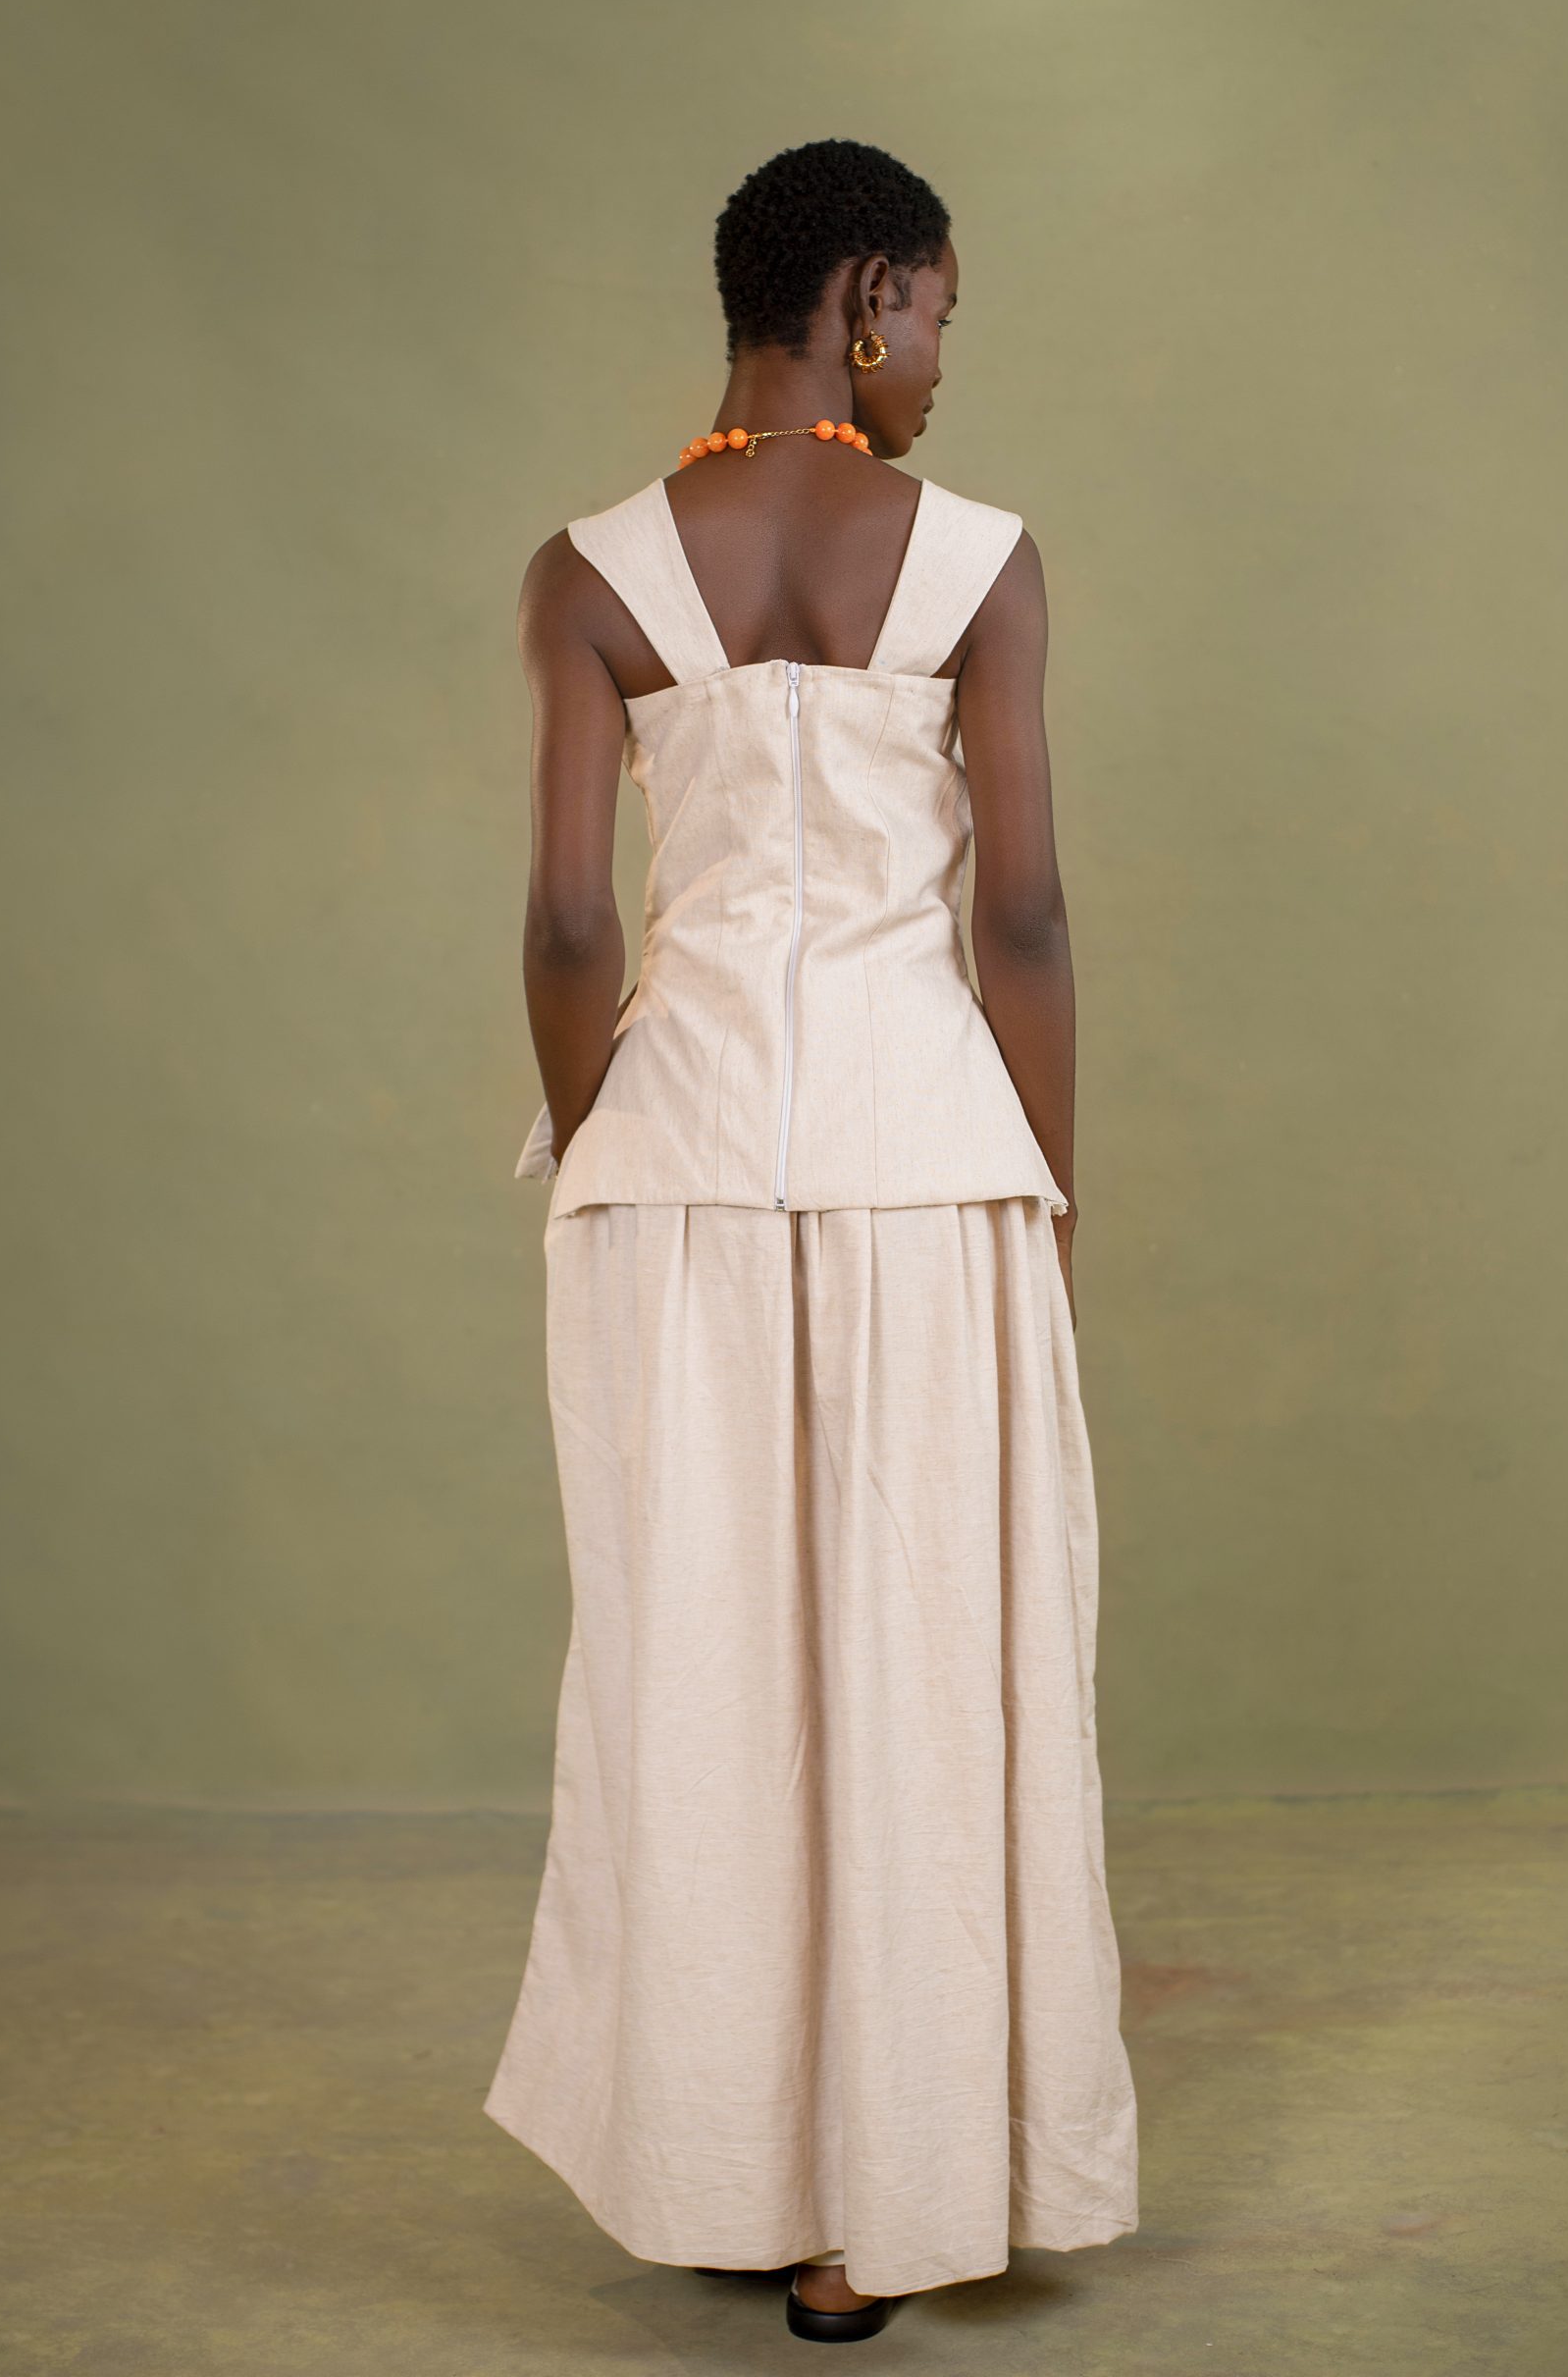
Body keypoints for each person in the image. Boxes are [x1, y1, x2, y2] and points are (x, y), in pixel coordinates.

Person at [485, 137, 1138, 2347]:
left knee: (699, 1674)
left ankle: (732, 2164)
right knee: (920, 1671)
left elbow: (567, 920)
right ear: (866, 296)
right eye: (936, 310)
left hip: (670, 1172)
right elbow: (1019, 915)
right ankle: (886, 2200)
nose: (941, 358)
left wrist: (609, 1139)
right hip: (925, 1162)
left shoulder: (586, 571)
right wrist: (1047, 1202)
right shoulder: (978, 560)